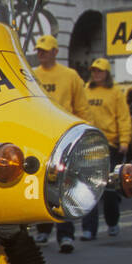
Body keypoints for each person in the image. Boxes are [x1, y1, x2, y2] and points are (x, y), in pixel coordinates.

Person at [31, 33, 90, 252]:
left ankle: (66, 235)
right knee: (41, 185)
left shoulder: (70, 75)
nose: (41, 54)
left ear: (56, 52)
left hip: (64, 138)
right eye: (38, 50)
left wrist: (84, 135)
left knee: (64, 186)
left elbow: (81, 107)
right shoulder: (32, 75)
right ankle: (43, 230)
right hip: (39, 137)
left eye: (45, 51)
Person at [80, 58, 130, 239]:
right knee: (88, 188)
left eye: (100, 71)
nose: (96, 74)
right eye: (94, 70)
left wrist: (124, 140)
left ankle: (112, 222)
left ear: (107, 73)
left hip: (110, 144)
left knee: (108, 189)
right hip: (89, 144)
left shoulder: (115, 93)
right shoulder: (86, 90)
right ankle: (88, 229)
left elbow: (123, 118)